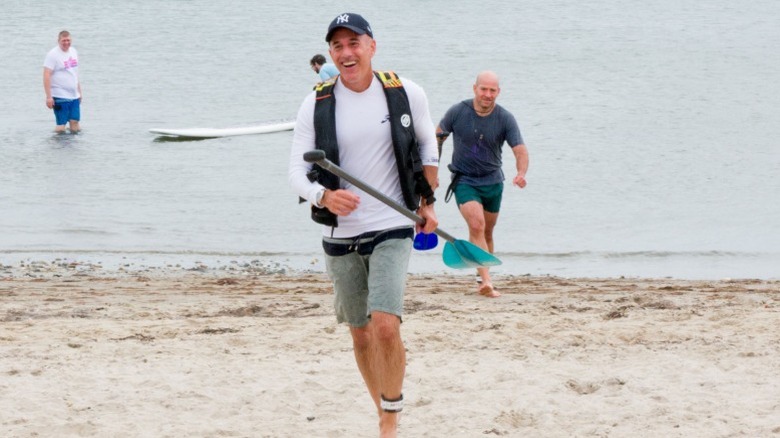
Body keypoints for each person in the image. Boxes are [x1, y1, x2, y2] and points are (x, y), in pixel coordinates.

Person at [289, 12, 439, 437]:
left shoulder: (406, 92)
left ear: (372, 45)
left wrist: (427, 200)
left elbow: (428, 147)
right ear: (332, 54)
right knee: (360, 335)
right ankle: (382, 407)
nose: (346, 53)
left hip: (394, 221)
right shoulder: (316, 102)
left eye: (353, 43)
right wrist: (323, 195)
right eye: (338, 46)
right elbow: (295, 173)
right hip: (340, 232)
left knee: (386, 325)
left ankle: (389, 421)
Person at [436, 71, 529, 298]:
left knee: (487, 231)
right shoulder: (458, 112)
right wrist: (431, 173)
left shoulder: (505, 118)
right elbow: (437, 138)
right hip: (464, 180)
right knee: (476, 226)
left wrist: (521, 172)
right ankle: (486, 282)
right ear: (474, 88)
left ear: (498, 92)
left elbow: (520, 149)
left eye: (492, 90)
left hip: (493, 181)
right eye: (483, 89)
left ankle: (481, 274)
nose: (487, 94)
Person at [43, 30, 82, 133]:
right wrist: (48, 97)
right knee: (61, 125)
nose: (66, 43)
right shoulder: (53, 54)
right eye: (63, 41)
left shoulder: (73, 51)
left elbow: (75, 73)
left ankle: (73, 148)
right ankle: (58, 148)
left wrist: (79, 93)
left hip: (74, 95)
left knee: (75, 123)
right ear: (58, 41)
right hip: (60, 95)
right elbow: (46, 75)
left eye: (68, 40)